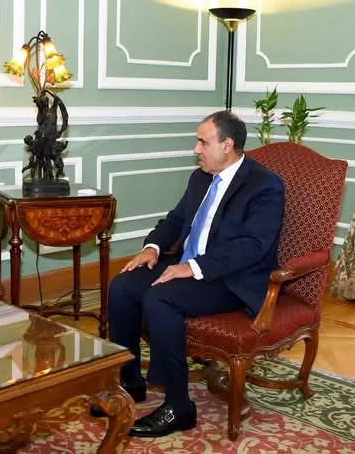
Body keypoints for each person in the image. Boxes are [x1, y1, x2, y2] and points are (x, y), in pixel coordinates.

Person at [101, 110, 285, 438]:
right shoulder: (201, 177)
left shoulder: (265, 185)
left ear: (227, 145)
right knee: (123, 286)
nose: (196, 149)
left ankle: (178, 406)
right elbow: (174, 220)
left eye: (203, 142)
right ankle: (130, 381)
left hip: (231, 279)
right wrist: (153, 248)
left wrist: (193, 267)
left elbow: (252, 247)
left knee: (160, 299)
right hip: (189, 264)